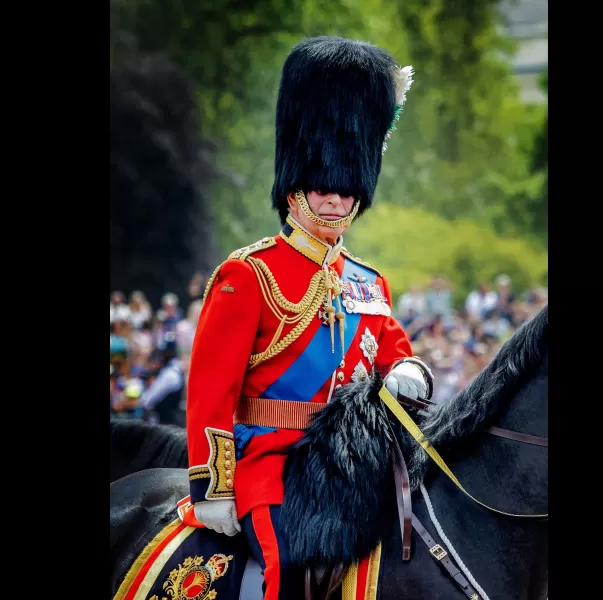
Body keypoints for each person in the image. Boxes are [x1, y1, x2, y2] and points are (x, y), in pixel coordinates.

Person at [184, 36, 432, 600]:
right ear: (295, 184)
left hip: (352, 471)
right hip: (269, 466)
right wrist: (212, 485)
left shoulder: (368, 282)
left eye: (348, 191)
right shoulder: (248, 274)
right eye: (324, 187)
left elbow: (395, 352)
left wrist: (408, 372)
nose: (336, 202)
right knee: (285, 564)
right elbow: (210, 391)